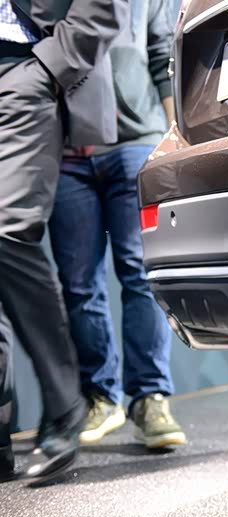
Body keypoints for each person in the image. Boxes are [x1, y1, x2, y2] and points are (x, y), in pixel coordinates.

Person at [48, 0, 186, 450]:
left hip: (135, 143)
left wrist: (173, 135)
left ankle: (150, 398)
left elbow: (162, 56)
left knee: (140, 273)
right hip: (67, 152)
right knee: (78, 284)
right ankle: (101, 397)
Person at [0, 0, 125, 481]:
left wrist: (49, 67)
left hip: (22, 74)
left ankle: (65, 402)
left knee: (8, 234)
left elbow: (103, 7)